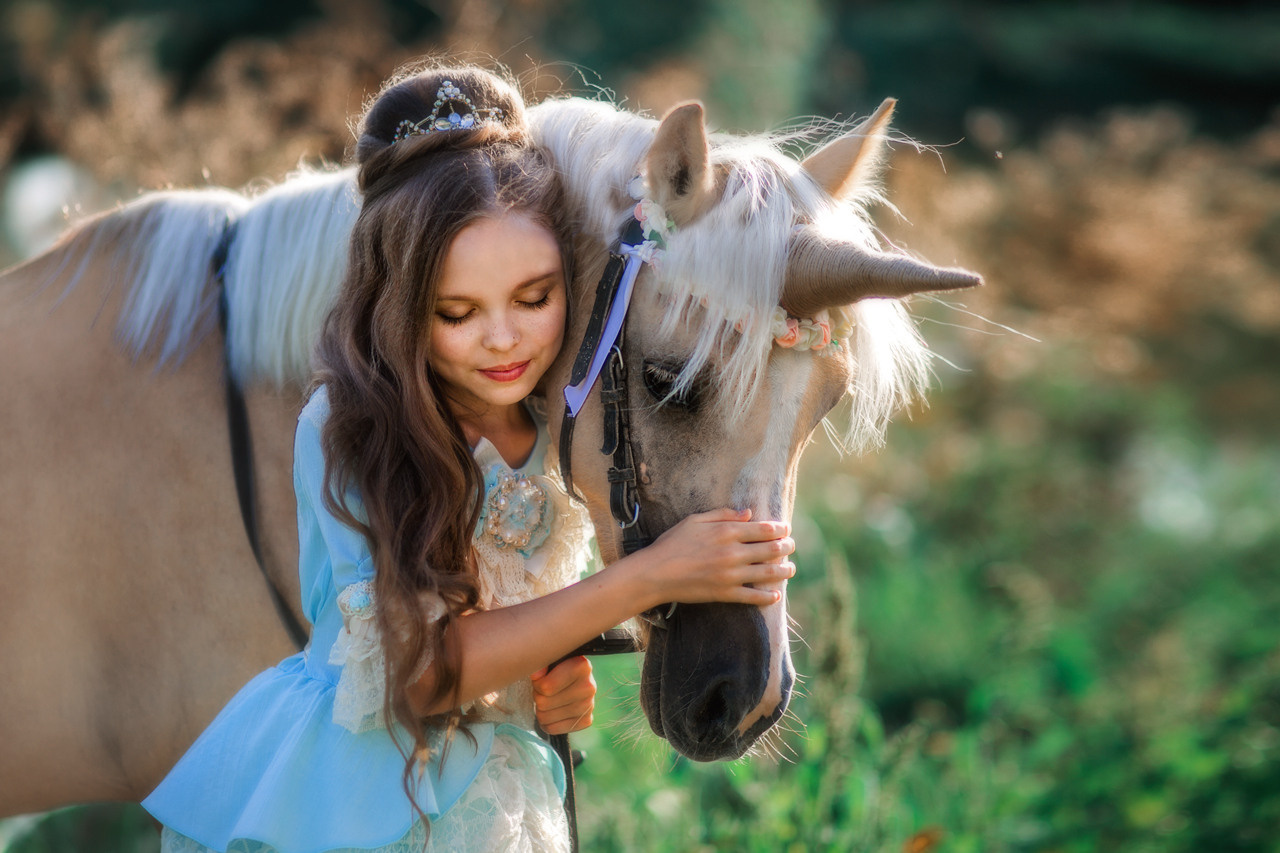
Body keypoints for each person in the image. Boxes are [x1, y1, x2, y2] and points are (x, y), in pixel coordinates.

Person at [142, 63, 796, 853]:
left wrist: (544, 680)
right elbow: (421, 674)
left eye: (535, 296)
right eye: (457, 312)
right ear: (399, 303)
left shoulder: (557, 419)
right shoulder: (354, 428)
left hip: (500, 789)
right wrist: (647, 577)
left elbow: (516, 618)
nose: (503, 338)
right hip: (366, 796)